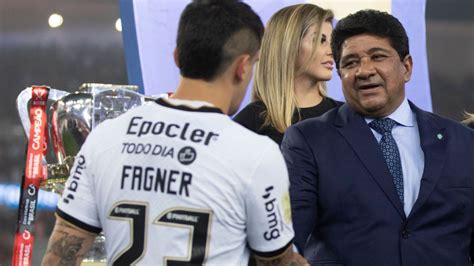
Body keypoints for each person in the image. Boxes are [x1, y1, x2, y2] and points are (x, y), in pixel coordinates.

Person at [42, 1, 305, 265]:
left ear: (177, 57)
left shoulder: (104, 139)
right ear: (243, 66)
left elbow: (60, 255)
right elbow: (277, 261)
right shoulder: (255, 153)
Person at [282, 9, 474, 265]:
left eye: (377, 57)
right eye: (350, 63)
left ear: (406, 67)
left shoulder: (462, 141)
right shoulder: (309, 140)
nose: (364, 71)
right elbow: (287, 239)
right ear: (340, 75)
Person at [234, 4, 342, 145]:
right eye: (320, 40)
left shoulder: (346, 116)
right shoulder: (249, 123)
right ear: (288, 45)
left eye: (331, 42)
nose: (331, 51)